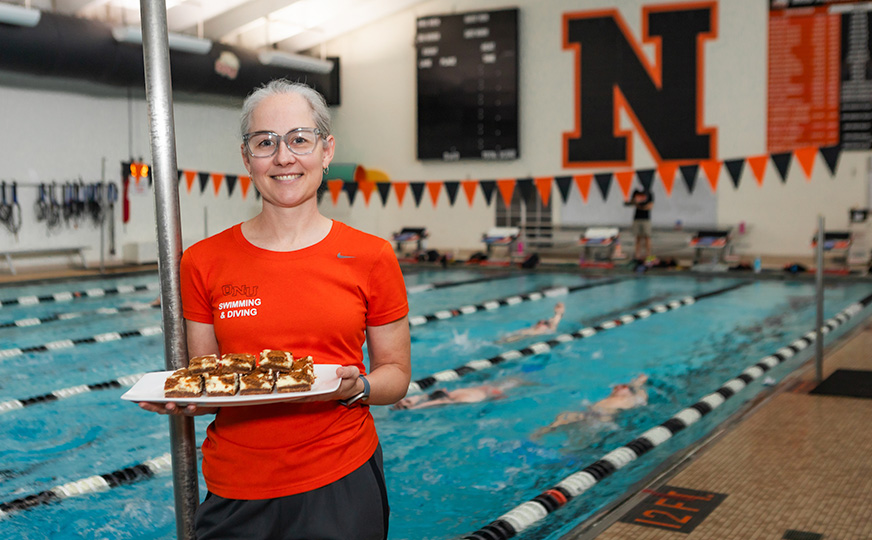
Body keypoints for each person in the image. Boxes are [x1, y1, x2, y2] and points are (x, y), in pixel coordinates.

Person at [138, 79, 411, 540]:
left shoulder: (371, 256)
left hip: (340, 478)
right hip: (235, 488)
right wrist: (185, 397)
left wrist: (353, 387)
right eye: (265, 143)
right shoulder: (202, 261)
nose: (284, 157)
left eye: (299, 140)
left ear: (326, 151)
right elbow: (206, 377)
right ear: (247, 158)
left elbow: (396, 375)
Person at [532, 374, 648, 438]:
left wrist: (638, 383)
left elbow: (640, 394)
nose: (617, 387)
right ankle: (537, 435)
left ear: (629, 390)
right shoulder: (609, 397)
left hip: (603, 417)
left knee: (585, 435)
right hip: (588, 413)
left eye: (623, 386)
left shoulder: (632, 399)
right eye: (615, 387)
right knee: (562, 416)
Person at [391, 377, 527, 410]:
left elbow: (438, 401)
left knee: (516, 381)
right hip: (488, 390)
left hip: (495, 394)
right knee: (516, 380)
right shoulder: (451, 394)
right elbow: (435, 398)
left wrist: (414, 407)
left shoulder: (455, 398)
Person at [497, 302, 565, 343]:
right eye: (539, 322)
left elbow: (556, 320)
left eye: (543, 323)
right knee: (506, 337)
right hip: (523, 332)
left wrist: (558, 312)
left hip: (527, 334)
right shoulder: (538, 326)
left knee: (506, 340)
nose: (540, 323)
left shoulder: (550, 328)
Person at [626, 187, 654, 260]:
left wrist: (639, 205)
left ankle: (648, 255)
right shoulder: (636, 191)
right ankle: (637, 255)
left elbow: (649, 206)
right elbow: (632, 202)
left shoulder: (649, 192)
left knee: (647, 237)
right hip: (637, 218)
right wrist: (638, 204)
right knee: (638, 237)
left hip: (646, 219)